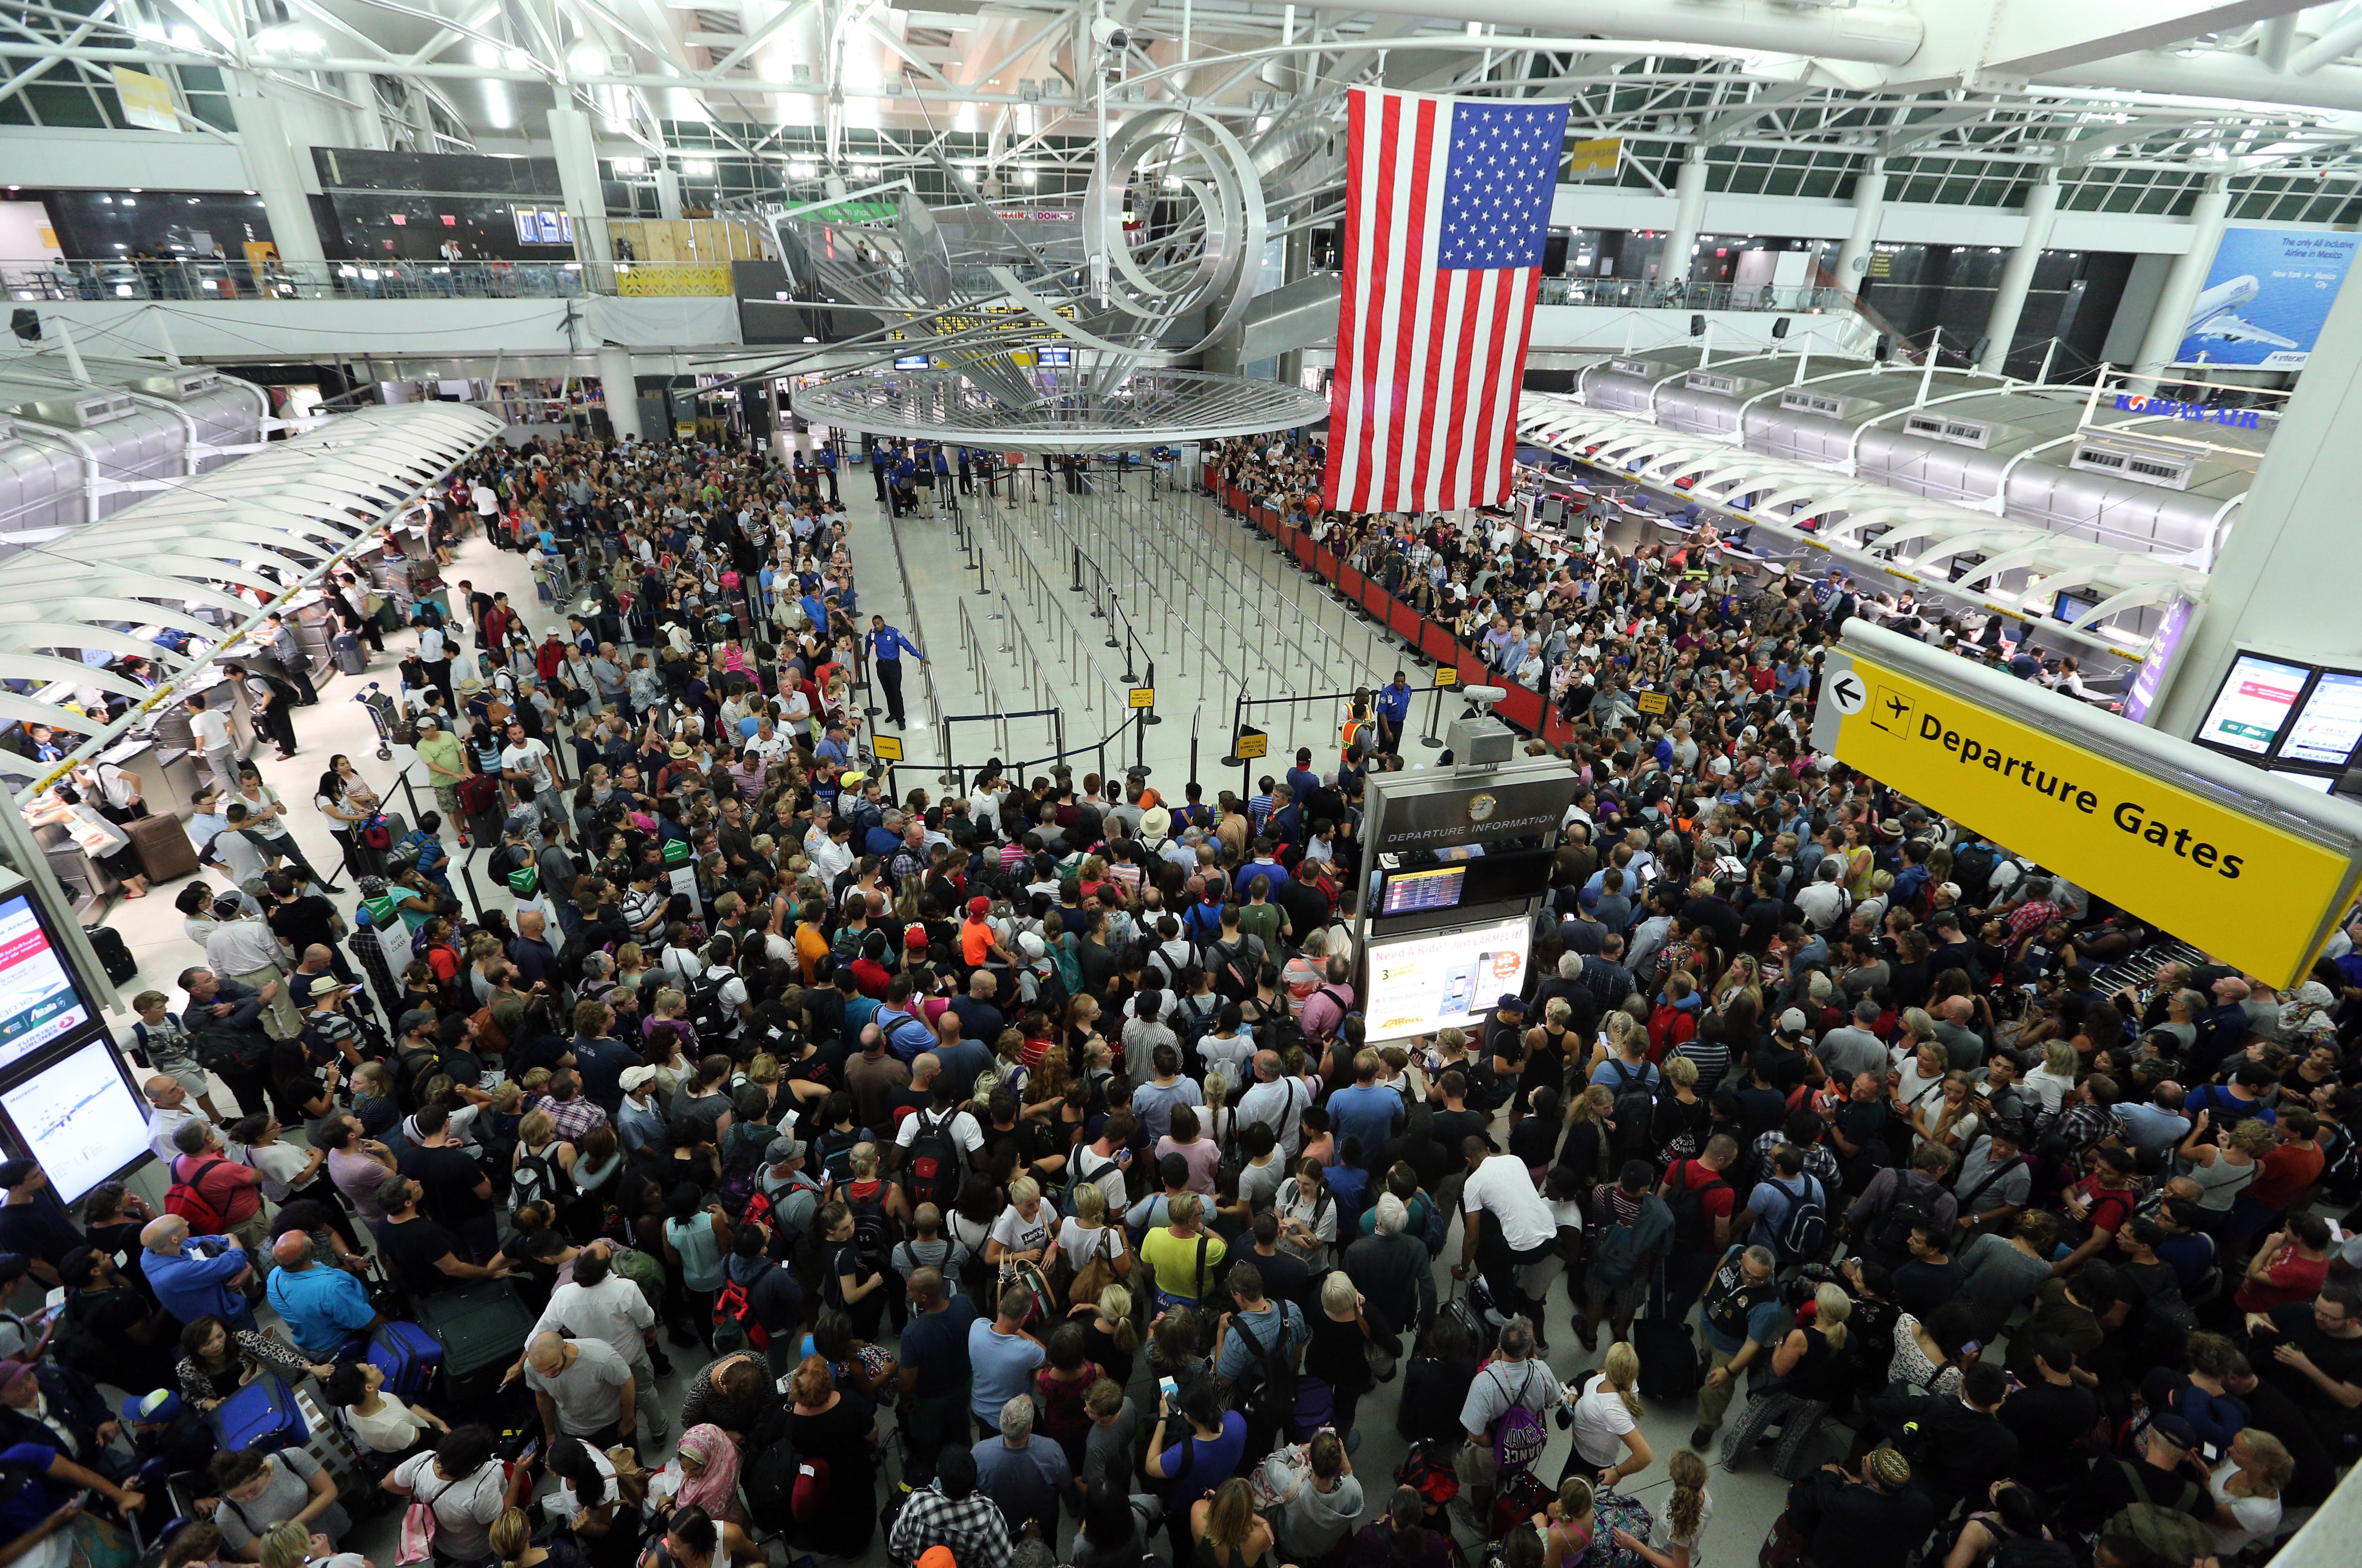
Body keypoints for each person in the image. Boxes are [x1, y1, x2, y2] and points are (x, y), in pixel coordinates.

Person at [383, 1425, 531, 1568]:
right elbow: (503, 1522)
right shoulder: (482, 1487)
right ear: (477, 1462)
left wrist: (418, 1492)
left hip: (446, 1545)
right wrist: (518, 1474)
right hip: (480, 1548)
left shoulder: (424, 1460)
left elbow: (388, 1484)